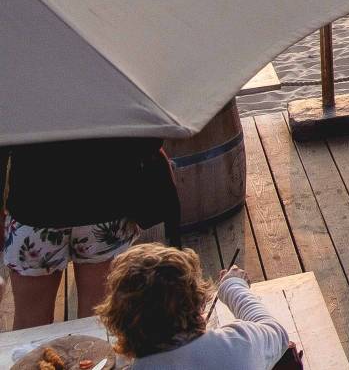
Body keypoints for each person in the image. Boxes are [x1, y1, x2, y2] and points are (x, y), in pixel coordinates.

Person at [1, 137, 174, 330]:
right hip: (105, 207)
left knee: (30, 327)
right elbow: (148, 139)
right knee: (96, 323)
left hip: (33, 210)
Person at [96, 245, 295, 367]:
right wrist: (232, 286)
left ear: (118, 319)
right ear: (198, 300)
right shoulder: (240, 344)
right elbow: (276, 331)